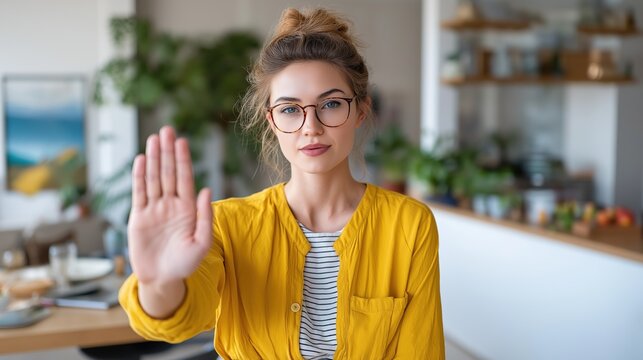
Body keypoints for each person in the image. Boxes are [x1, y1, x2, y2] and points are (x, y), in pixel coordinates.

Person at [119, 7, 444, 359]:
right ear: (271, 120)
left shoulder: (409, 223)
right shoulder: (225, 225)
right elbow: (176, 322)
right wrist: (159, 281)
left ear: (361, 111)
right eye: (290, 109)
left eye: (331, 104)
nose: (311, 126)